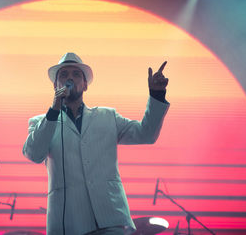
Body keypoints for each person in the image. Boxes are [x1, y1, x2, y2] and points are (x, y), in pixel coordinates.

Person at [23, 52, 169, 235]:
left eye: (76, 74)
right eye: (63, 75)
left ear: (85, 85)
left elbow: (146, 134)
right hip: (68, 224)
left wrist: (156, 95)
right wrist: (53, 110)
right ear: (55, 85)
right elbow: (34, 154)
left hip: (112, 219)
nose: (70, 78)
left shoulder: (107, 117)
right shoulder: (41, 122)